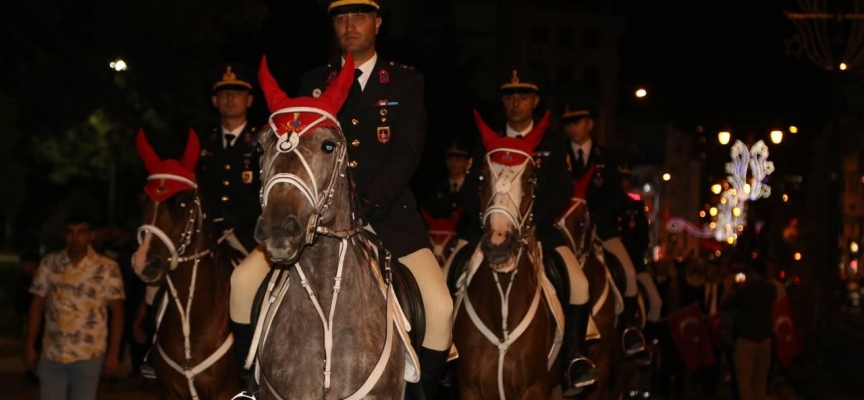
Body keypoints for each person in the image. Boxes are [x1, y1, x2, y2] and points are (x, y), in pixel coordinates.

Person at [229, 1, 454, 398]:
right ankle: (250, 386)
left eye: (360, 17)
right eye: (341, 19)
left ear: (378, 23)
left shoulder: (404, 82)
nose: (350, 26)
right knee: (242, 280)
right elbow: (297, 153)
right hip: (317, 221)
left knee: (439, 308)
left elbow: (407, 151)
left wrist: (369, 204)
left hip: (390, 219)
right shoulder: (312, 81)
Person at [457, 68, 596, 395]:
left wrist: (532, 222)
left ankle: (573, 358)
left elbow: (562, 190)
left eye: (522, 96)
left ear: (535, 100)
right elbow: (467, 194)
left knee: (579, 283)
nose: (515, 102)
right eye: (508, 96)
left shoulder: (552, 141)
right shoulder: (486, 142)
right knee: (450, 272)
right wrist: (489, 219)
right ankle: (446, 356)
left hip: (540, 231)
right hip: (491, 230)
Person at [559, 101, 646, 354]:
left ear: (590, 124)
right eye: (567, 123)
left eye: (577, 122)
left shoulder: (608, 158)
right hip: (565, 230)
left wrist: (594, 218)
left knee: (628, 272)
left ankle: (630, 329)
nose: (572, 128)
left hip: (601, 230)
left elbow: (617, 198)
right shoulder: (559, 155)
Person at [24, 214, 126, 400]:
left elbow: (117, 313)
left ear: (91, 235)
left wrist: (113, 353)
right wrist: (30, 345)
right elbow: (37, 305)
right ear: (64, 235)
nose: (75, 238)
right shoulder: (50, 263)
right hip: (52, 352)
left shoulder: (107, 268)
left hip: (88, 353)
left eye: (81, 233)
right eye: (70, 232)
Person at [197, 62, 263, 255]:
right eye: (224, 93)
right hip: (208, 240)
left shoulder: (262, 143)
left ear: (249, 100)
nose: (230, 98)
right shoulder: (203, 144)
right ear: (214, 101)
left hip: (251, 241)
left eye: (238, 93)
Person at [720, 257, 777, 400]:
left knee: (744, 381)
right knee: (760, 381)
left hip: (746, 340)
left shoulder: (746, 292)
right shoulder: (771, 290)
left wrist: (729, 285)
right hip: (765, 340)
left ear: (753, 272)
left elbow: (725, 305)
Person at [422, 141, 471, 220]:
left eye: (457, 160)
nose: (453, 163)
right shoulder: (437, 189)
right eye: (450, 159)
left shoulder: (474, 188)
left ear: (466, 162)